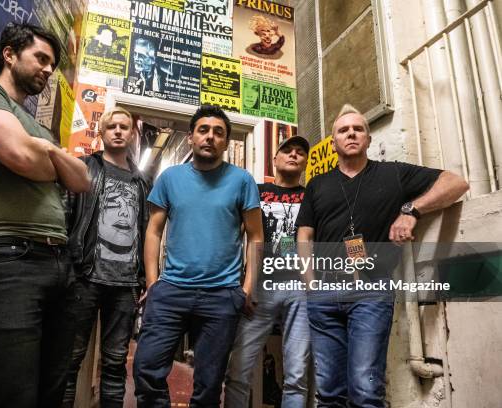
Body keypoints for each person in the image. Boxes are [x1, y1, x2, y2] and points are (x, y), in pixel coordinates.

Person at [0, 22, 91, 408]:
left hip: (58, 265)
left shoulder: (38, 127)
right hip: (3, 258)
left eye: (52, 64)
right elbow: (20, 156)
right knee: (13, 395)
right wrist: (53, 158)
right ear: (9, 54)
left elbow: (81, 181)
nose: (47, 69)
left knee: (50, 391)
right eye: (40, 58)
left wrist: (52, 155)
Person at [296, 104, 469, 407]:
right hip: (323, 293)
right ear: (334, 142)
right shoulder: (317, 185)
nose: (351, 133)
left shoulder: (393, 174)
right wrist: (310, 284)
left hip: (370, 291)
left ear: (369, 138)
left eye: (358, 129)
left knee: (365, 388)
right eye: (343, 130)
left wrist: (412, 210)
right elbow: (304, 235)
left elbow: (456, 183)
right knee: (329, 391)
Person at [133, 105, 263, 407]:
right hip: (172, 291)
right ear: (191, 137)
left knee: (208, 384)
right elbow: (153, 231)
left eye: (219, 133)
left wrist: (245, 290)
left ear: (226, 142)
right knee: (146, 369)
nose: (210, 137)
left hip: (221, 296)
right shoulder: (170, 178)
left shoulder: (242, 181)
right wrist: (153, 284)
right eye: (203, 130)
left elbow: (255, 236)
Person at [63, 107, 150, 407]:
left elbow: (147, 230)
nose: (117, 130)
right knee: (69, 360)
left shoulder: (141, 181)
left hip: (126, 285)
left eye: (124, 126)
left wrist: (146, 279)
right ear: (101, 132)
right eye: (111, 126)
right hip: (84, 277)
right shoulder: (84, 167)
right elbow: (66, 217)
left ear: (132, 134)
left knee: (114, 364)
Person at [225, 136, 311, 408]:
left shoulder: (313, 196)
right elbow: (236, 236)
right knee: (238, 370)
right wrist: (242, 284)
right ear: (274, 159)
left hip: (301, 289)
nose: (294, 155)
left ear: (306, 162)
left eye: (300, 152)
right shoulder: (257, 192)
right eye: (287, 151)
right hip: (260, 287)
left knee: (297, 375)